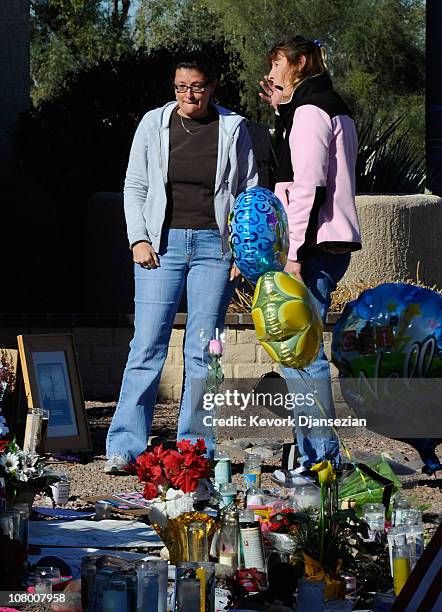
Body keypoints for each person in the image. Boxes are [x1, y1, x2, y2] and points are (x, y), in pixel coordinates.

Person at [105, 51, 258, 473]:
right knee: (147, 346)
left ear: (212, 87)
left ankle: (196, 448)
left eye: (197, 86)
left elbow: (248, 192)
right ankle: (126, 446)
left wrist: (242, 253)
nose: (189, 95)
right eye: (181, 87)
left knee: (204, 352)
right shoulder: (154, 124)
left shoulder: (233, 128)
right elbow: (134, 184)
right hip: (161, 246)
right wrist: (138, 238)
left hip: (215, 248)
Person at [259, 36, 362, 472]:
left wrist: (294, 255)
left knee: (303, 356)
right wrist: (282, 111)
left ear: (299, 63)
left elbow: (308, 186)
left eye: (278, 63)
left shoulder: (311, 110)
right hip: (325, 243)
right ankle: (309, 454)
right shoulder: (321, 104)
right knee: (299, 354)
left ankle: (320, 458)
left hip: (312, 247)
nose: (272, 72)